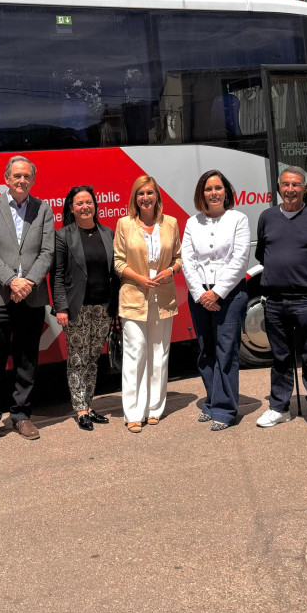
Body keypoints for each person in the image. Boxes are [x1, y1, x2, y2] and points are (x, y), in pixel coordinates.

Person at [0, 156, 55, 448]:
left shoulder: (43, 209)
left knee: (26, 358)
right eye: (17, 176)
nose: (22, 181)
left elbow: (47, 252)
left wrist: (28, 282)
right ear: (6, 178)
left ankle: (21, 415)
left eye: (27, 177)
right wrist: (11, 280)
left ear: (33, 180)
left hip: (30, 296)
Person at [254, 167, 307, 434]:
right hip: (274, 302)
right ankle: (279, 407)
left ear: (305, 188)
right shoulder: (267, 217)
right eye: (286, 184)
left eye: (296, 185)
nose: (290, 190)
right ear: (279, 187)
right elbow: (262, 255)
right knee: (280, 357)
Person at [181, 170, 250, 431]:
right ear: (202, 193)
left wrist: (217, 292)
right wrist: (201, 294)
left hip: (229, 294)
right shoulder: (192, 223)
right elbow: (188, 261)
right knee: (206, 349)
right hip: (199, 294)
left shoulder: (238, 219)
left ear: (226, 191)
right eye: (208, 189)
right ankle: (211, 401)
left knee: (226, 350)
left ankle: (226, 409)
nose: (213, 193)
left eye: (218, 188)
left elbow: (240, 259)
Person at [114, 175, 182, 433]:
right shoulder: (125, 224)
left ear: (157, 197)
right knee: (135, 353)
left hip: (163, 297)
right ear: (135, 198)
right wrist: (139, 277)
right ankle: (133, 412)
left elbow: (178, 257)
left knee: (159, 354)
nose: (145, 198)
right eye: (140, 193)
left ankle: (154, 408)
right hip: (134, 296)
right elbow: (118, 261)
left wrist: (171, 271)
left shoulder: (171, 223)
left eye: (149, 193)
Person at [51, 186, 118, 431]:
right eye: (79, 203)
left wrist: (117, 304)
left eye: (88, 202)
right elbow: (57, 275)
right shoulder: (63, 235)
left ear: (95, 205)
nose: (85, 207)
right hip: (77, 307)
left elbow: (114, 272)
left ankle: (89, 406)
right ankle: (80, 409)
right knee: (78, 359)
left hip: (104, 307)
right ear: (71, 208)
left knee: (92, 359)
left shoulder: (107, 233)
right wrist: (61, 307)